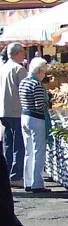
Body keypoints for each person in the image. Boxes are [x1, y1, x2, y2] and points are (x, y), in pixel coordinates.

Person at [20, 58, 51, 193]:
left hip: (25, 116)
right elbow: (40, 105)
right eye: (44, 72)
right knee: (39, 151)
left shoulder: (23, 82)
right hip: (36, 119)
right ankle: (37, 183)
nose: (45, 75)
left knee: (28, 151)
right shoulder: (36, 84)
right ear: (39, 71)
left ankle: (28, 181)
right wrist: (50, 102)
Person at [1, 43, 27, 188]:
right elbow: (24, 91)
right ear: (17, 53)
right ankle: (16, 175)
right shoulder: (19, 69)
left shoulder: (3, 68)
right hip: (16, 111)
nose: (24, 55)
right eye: (23, 52)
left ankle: (7, 173)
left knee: (8, 144)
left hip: (3, 111)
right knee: (18, 145)